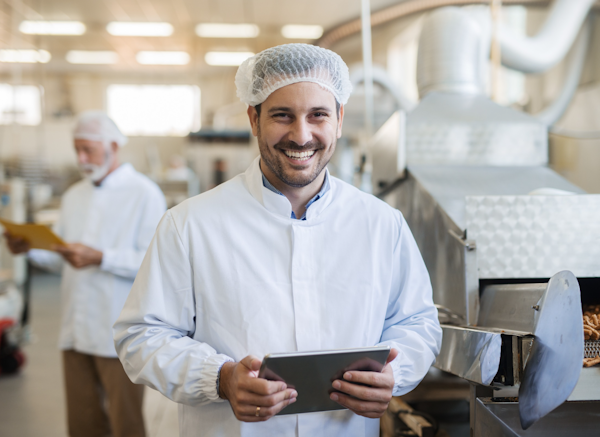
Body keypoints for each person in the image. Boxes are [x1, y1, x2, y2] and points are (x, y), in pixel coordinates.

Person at [114, 43, 442, 437]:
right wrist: (220, 378)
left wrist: (396, 372)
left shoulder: (381, 225)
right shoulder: (190, 224)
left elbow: (417, 321)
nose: (301, 135)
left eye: (317, 115)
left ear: (338, 119)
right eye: (282, 115)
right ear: (254, 118)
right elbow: (142, 335)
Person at [4, 111, 166, 437]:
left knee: (126, 424)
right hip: (75, 330)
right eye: (76, 149)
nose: (81, 158)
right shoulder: (75, 195)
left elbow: (155, 263)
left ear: (113, 147)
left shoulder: (144, 194)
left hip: (119, 333)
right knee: (82, 423)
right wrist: (30, 248)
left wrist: (101, 257)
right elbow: (60, 254)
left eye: (88, 150)